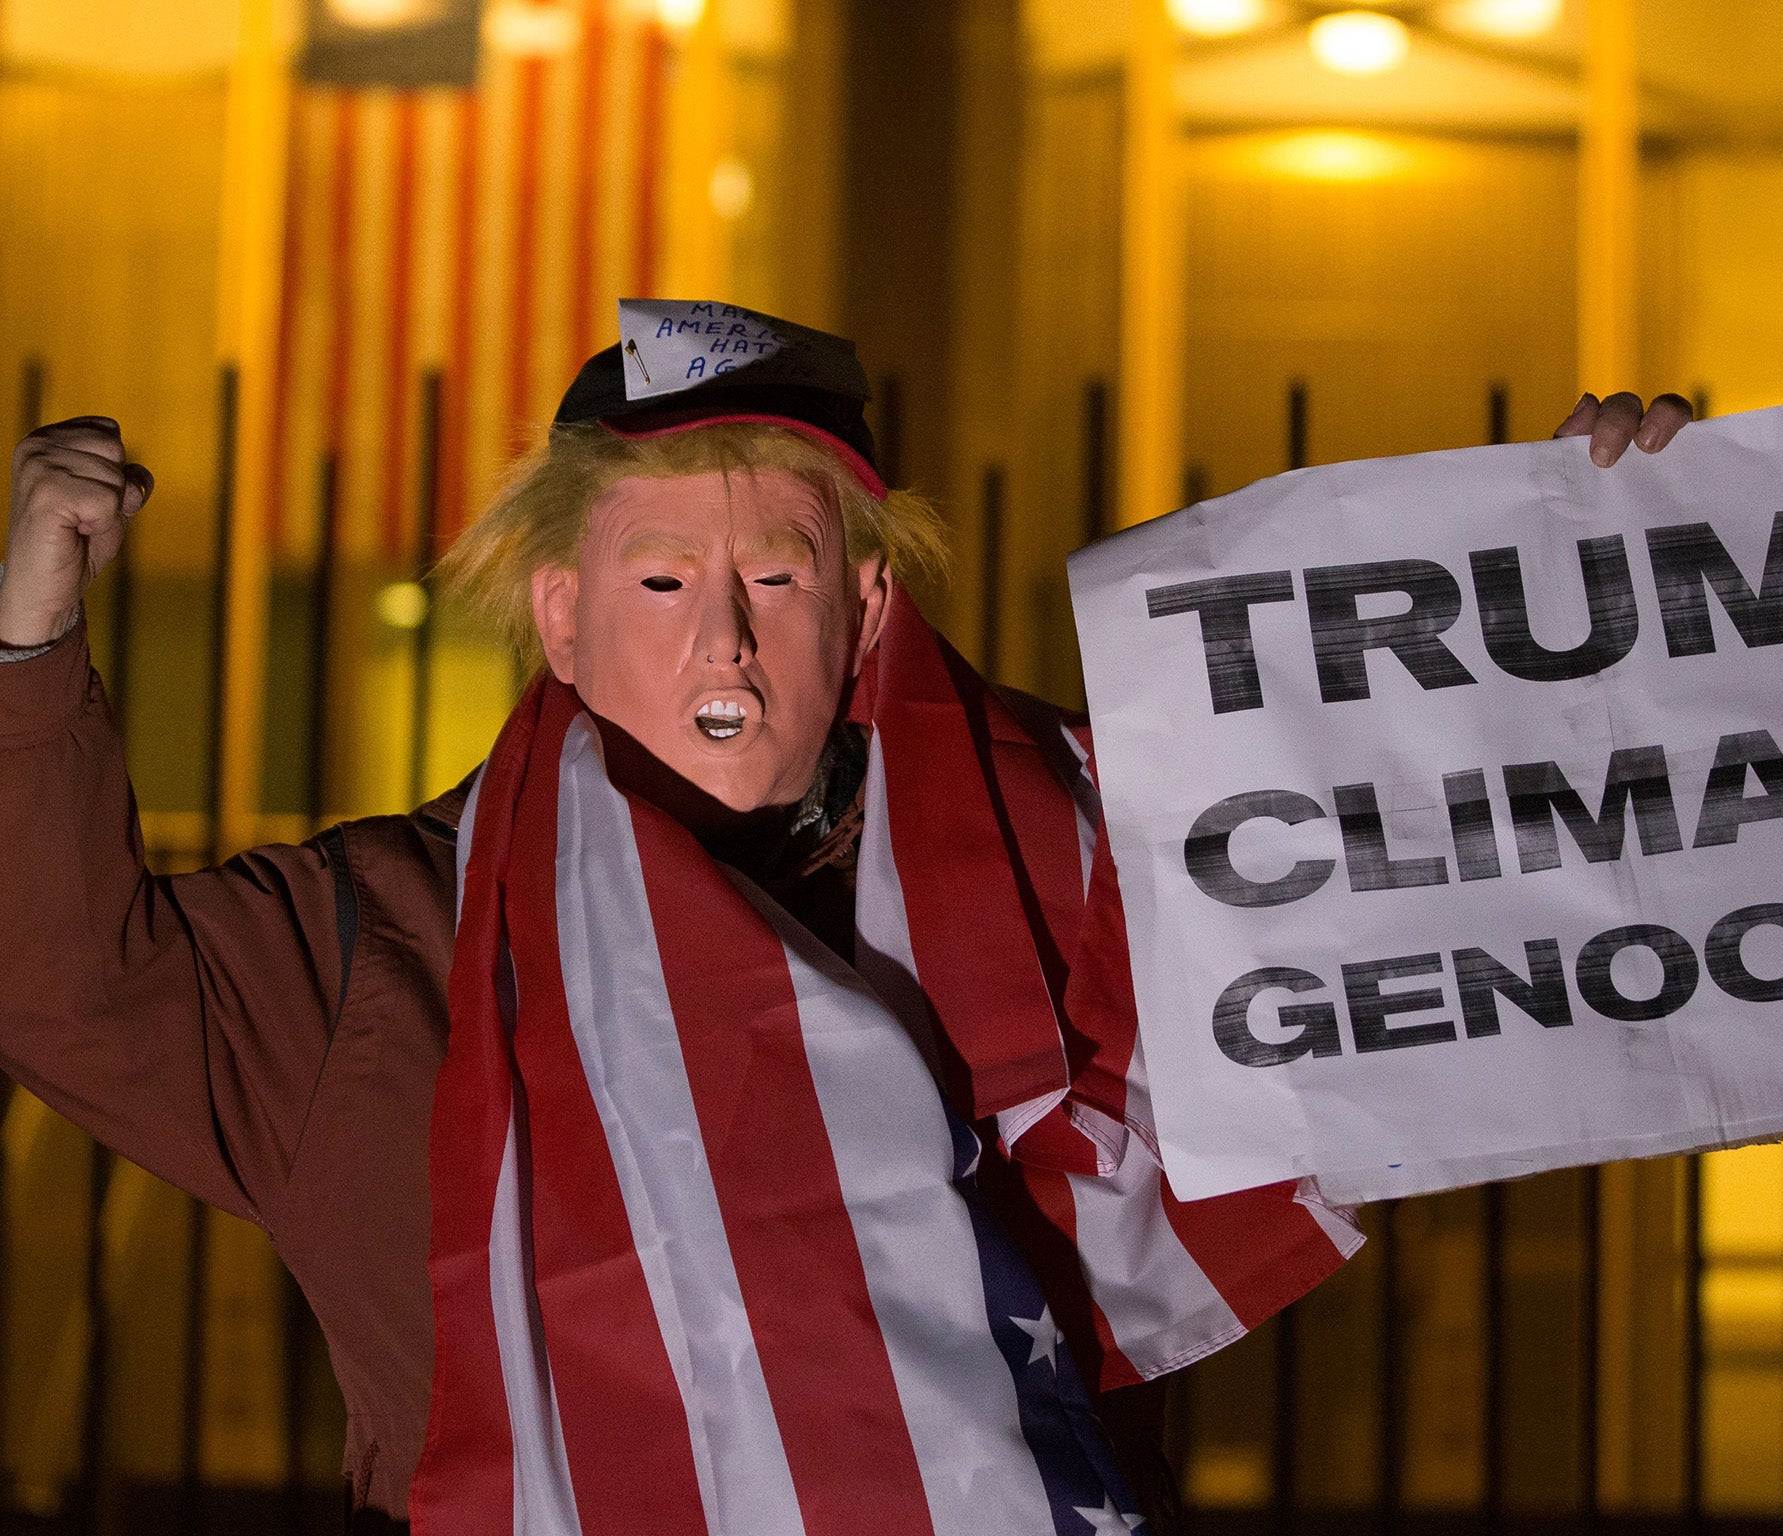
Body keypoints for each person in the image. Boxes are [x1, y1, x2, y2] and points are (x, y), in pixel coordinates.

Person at [0, 300, 1691, 1533]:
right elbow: (64, 984)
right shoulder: (377, 947)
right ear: (563, 617)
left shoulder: (1104, 876)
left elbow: (1444, 886)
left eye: (780, 576)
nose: (722, 641)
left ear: (869, 607)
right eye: (664, 580)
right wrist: (21, 653)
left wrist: (1590, 586)